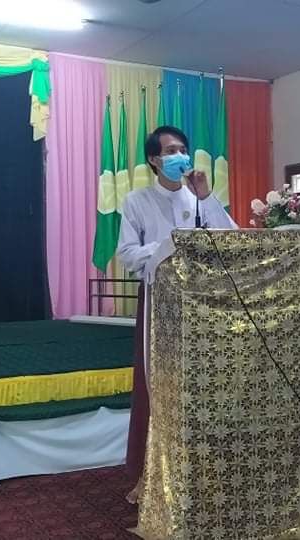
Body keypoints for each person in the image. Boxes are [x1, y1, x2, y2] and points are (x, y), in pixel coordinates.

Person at [116, 125, 237, 503]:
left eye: (183, 149)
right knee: (157, 387)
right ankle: (149, 477)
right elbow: (126, 254)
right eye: (170, 151)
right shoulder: (137, 201)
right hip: (159, 302)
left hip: (201, 305)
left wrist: (207, 197)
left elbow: (230, 238)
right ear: (154, 159)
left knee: (201, 388)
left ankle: (201, 474)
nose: (179, 156)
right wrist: (167, 247)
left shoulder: (199, 197)